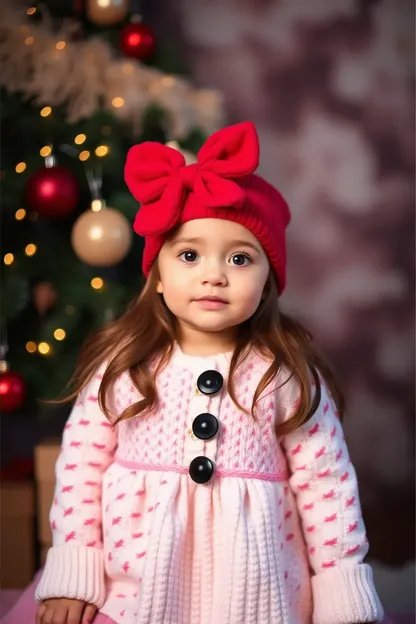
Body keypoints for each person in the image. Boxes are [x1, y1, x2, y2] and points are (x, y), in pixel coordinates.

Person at [2, 122, 385, 624]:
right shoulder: (126, 365)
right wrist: (76, 572)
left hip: (256, 593)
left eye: (240, 258)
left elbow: (327, 486)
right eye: (188, 254)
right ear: (158, 275)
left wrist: (341, 596)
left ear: (268, 279)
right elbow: (80, 471)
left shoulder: (285, 375)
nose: (214, 274)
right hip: (131, 588)